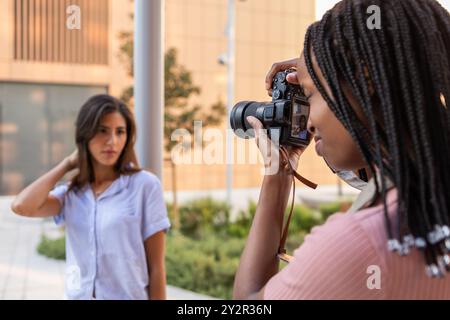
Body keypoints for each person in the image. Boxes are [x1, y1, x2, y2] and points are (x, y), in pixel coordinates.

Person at [233, 0, 450, 299]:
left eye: (311, 95)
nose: (308, 121)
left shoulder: (358, 243)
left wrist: (277, 176)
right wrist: (327, 69)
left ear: (365, 81)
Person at [11, 94, 170, 300]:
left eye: (120, 132)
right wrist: (67, 164)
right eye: (103, 130)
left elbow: (157, 268)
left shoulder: (145, 186)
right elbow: (22, 206)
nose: (112, 141)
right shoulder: (72, 194)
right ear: (85, 135)